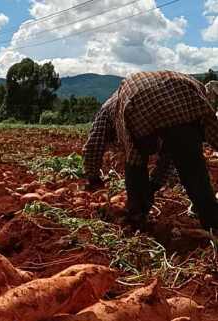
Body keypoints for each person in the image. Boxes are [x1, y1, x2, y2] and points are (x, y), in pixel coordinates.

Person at [83, 71, 218, 231]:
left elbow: (94, 144)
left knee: (135, 161)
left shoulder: (107, 109)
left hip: (137, 100)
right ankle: (212, 223)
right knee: (193, 168)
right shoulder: (176, 100)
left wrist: (93, 177)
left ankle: (137, 217)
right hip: (184, 93)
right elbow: (171, 154)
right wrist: (154, 184)